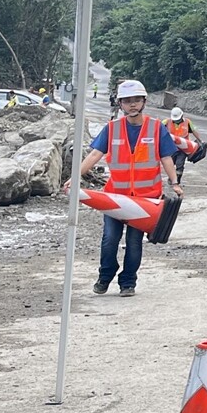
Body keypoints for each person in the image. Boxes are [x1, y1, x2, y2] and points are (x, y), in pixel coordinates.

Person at [61, 78, 182, 296]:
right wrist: (75, 177)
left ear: (144, 102)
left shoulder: (156, 128)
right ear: (120, 104)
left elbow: (166, 158)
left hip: (145, 199)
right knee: (109, 240)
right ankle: (105, 276)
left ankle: (128, 283)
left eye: (136, 100)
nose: (132, 105)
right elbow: (95, 154)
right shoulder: (112, 129)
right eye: (127, 101)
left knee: (134, 242)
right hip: (115, 196)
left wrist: (175, 183)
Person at [166, 107, 200, 180]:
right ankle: (171, 177)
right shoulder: (166, 122)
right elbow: (158, 129)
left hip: (183, 148)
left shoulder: (187, 122)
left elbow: (194, 131)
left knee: (180, 164)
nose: (176, 121)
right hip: (171, 147)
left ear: (182, 116)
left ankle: (177, 179)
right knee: (170, 163)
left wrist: (200, 141)